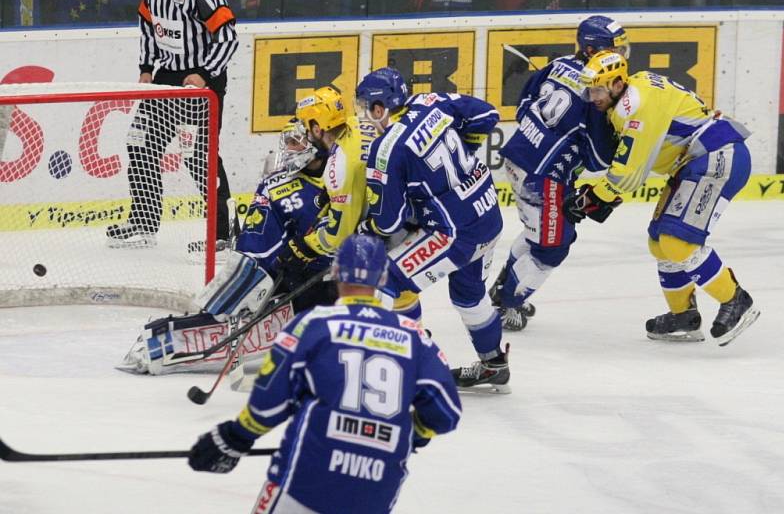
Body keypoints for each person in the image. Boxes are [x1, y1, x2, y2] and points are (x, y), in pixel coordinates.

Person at [188, 234, 462, 514]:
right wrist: (416, 432)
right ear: (382, 278)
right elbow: (446, 412)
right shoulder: (414, 335)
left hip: (308, 478)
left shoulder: (312, 324)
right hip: (377, 490)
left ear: (335, 273)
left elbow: (271, 399)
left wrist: (235, 437)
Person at [568, 50, 760, 346]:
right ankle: (683, 315)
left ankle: (736, 300)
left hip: (717, 155)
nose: (592, 97)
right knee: (659, 242)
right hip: (694, 163)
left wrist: (592, 197)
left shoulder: (636, 104)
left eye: (597, 89)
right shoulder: (636, 87)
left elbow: (629, 172)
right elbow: (634, 167)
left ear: (618, 83)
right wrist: (601, 196)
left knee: (677, 241)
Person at [118, 119, 337, 374]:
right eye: (287, 142)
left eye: (294, 142)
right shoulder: (276, 187)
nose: (288, 149)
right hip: (293, 281)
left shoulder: (341, 176)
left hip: (330, 280)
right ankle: (165, 341)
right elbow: (254, 252)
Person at [355, 67, 510, 392]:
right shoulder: (432, 102)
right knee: (468, 295)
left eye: (366, 109)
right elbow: (488, 115)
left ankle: (396, 367)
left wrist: (367, 226)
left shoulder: (386, 147)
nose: (366, 118)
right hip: (488, 215)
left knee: (384, 280)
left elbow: (389, 222)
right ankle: (494, 363)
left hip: (455, 232)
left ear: (380, 107)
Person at [106, 0, 239, 250]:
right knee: (140, 142)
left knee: (199, 157)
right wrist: (147, 67)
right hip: (166, 77)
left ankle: (223, 233)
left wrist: (204, 74)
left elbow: (227, 36)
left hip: (201, 83)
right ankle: (144, 221)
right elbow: (149, 24)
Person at [490, 15, 625, 331]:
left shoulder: (559, 63)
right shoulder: (597, 90)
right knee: (553, 247)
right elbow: (597, 158)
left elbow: (524, 103)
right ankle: (506, 303)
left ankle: (504, 288)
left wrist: (540, 132)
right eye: (614, 47)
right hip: (543, 175)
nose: (620, 53)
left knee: (538, 233)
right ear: (592, 49)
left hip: (519, 155)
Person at [275, 86, 380, 272]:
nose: (307, 135)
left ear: (317, 129)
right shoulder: (358, 123)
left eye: (307, 129)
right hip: (411, 202)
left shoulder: (339, 166)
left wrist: (304, 247)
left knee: (391, 287)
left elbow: (339, 235)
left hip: (411, 222)